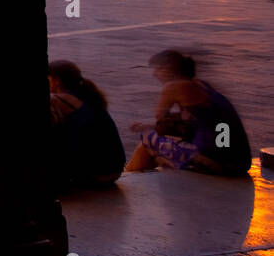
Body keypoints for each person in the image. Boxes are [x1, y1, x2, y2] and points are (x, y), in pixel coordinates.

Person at [125, 50, 252, 177]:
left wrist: (149, 128)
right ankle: (131, 173)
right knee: (160, 153)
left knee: (149, 140)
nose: (155, 74)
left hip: (217, 161)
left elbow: (161, 125)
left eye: (157, 69)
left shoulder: (173, 87)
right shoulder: (201, 85)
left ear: (167, 70)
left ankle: (127, 177)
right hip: (239, 160)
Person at [47, 60, 125, 190]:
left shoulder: (59, 100)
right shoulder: (87, 95)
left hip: (95, 174)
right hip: (113, 171)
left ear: (56, 80)